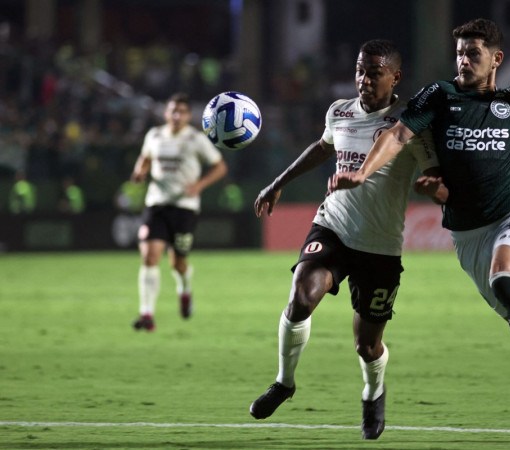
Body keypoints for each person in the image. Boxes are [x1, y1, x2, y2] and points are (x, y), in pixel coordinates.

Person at [330, 6, 510, 424]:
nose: (463, 61)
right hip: (469, 234)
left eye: (473, 53)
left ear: (496, 59)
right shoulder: (439, 96)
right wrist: (362, 172)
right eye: (460, 53)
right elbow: (397, 135)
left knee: (505, 279)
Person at [249, 39, 441, 440]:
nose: (364, 79)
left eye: (374, 72)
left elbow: (436, 176)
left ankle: (374, 392)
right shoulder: (339, 111)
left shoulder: (411, 124)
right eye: (359, 70)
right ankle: (284, 382)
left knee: (367, 346)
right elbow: (323, 148)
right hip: (333, 226)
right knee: (302, 294)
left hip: (380, 245)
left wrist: (434, 188)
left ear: (395, 77)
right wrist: (278, 182)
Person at [130, 92, 227, 332]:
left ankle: (184, 289)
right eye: (172, 110)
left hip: (185, 208)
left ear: (188, 116)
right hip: (157, 204)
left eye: (181, 111)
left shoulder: (196, 139)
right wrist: (140, 172)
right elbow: (144, 159)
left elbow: (220, 166)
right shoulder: (154, 135)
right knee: (150, 257)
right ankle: (147, 314)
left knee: (178, 263)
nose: (176, 115)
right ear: (166, 113)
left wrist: (199, 185)